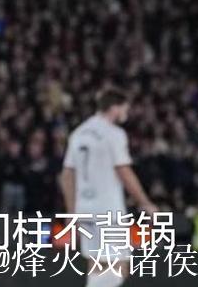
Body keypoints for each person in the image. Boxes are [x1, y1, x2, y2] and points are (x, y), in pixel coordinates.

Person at [60, 88, 160, 287]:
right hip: (108, 209)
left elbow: (67, 175)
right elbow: (124, 170)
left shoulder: (78, 133)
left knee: (96, 265)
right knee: (120, 267)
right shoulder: (114, 134)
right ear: (114, 108)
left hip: (84, 209)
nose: (126, 114)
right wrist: (144, 202)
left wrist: (72, 212)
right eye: (124, 109)